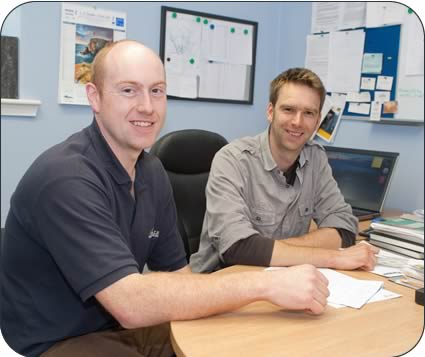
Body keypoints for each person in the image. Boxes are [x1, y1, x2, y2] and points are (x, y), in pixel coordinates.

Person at [1, 41, 330, 357]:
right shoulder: (66, 177)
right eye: (129, 90)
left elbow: (177, 276)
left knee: (240, 342)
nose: (147, 106)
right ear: (95, 97)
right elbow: (130, 303)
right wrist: (263, 285)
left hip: (119, 325)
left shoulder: (152, 171)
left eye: (156, 90)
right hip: (55, 340)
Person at [190, 67, 380, 273]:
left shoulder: (315, 157)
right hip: (221, 279)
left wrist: (278, 252)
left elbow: (344, 228)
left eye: (308, 113)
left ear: (317, 122)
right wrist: (334, 257)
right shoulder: (232, 160)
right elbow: (237, 247)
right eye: (288, 109)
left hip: (284, 278)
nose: (297, 122)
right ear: (270, 112)